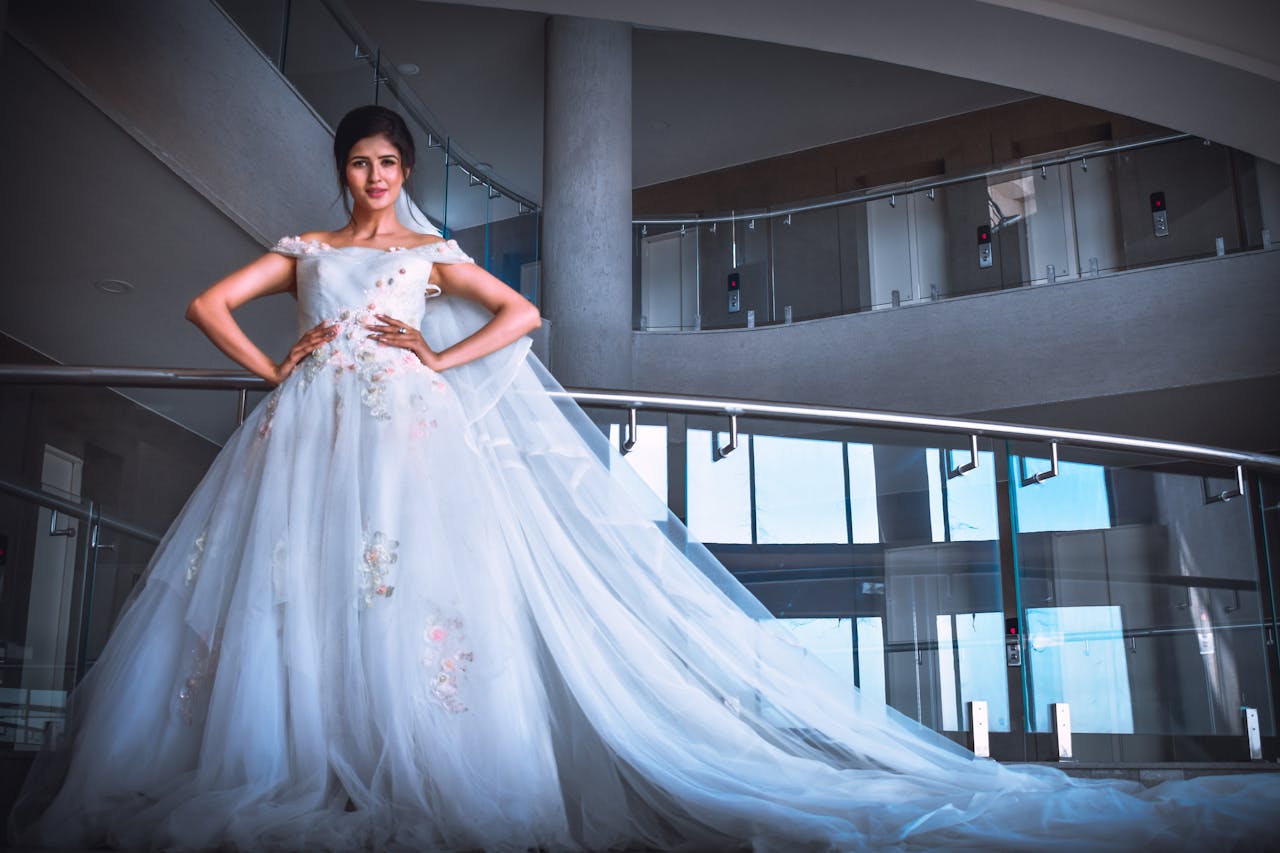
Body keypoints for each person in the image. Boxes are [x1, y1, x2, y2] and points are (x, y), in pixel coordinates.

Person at [8, 105, 1280, 852]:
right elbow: (200, 302)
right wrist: (281, 359)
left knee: (410, 590)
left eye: (388, 164)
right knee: (300, 594)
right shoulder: (306, 248)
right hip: (311, 433)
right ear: (340, 172)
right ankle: (326, 754)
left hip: (405, 425)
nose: (374, 179)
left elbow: (528, 315)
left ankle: (409, 765)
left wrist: (435, 365)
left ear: (406, 172)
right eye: (360, 164)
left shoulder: (435, 254)